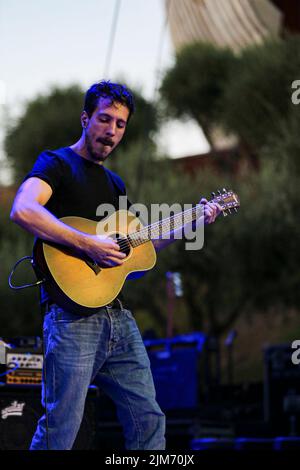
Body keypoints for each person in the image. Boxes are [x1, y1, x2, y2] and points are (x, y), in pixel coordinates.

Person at [10, 80, 221, 450]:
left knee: (149, 421)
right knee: (61, 430)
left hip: (117, 320)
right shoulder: (56, 164)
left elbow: (138, 248)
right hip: (70, 319)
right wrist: (89, 244)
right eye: (105, 119)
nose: (111, 131)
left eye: (120, 125)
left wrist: (194, 221)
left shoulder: (115, 185)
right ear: (85, 117)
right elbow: (24, 209)